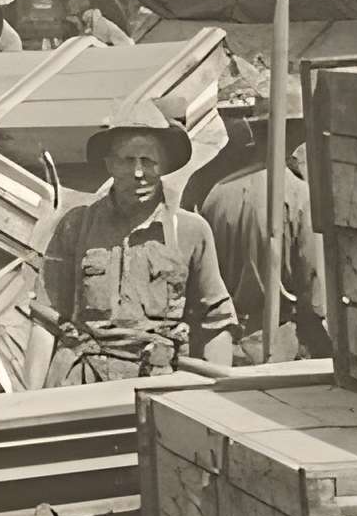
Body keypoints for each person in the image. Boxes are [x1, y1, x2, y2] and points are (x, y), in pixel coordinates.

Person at [39, 97, 233, 381]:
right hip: (84, 383)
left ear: (164, 166)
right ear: (110, 165)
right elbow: (45, 319)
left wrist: (218, 398)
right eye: (127, 161)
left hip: (160, 382)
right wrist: (25, 404)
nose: (139, 173)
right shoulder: (75, 226)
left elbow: (216, 322)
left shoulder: (191, 231)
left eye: (149, 161)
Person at [196, 104, 332, 362]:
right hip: (277, 342)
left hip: (225, 343)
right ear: (294, 136)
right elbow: (314, 290)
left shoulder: (216, 193)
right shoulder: (299, 196)